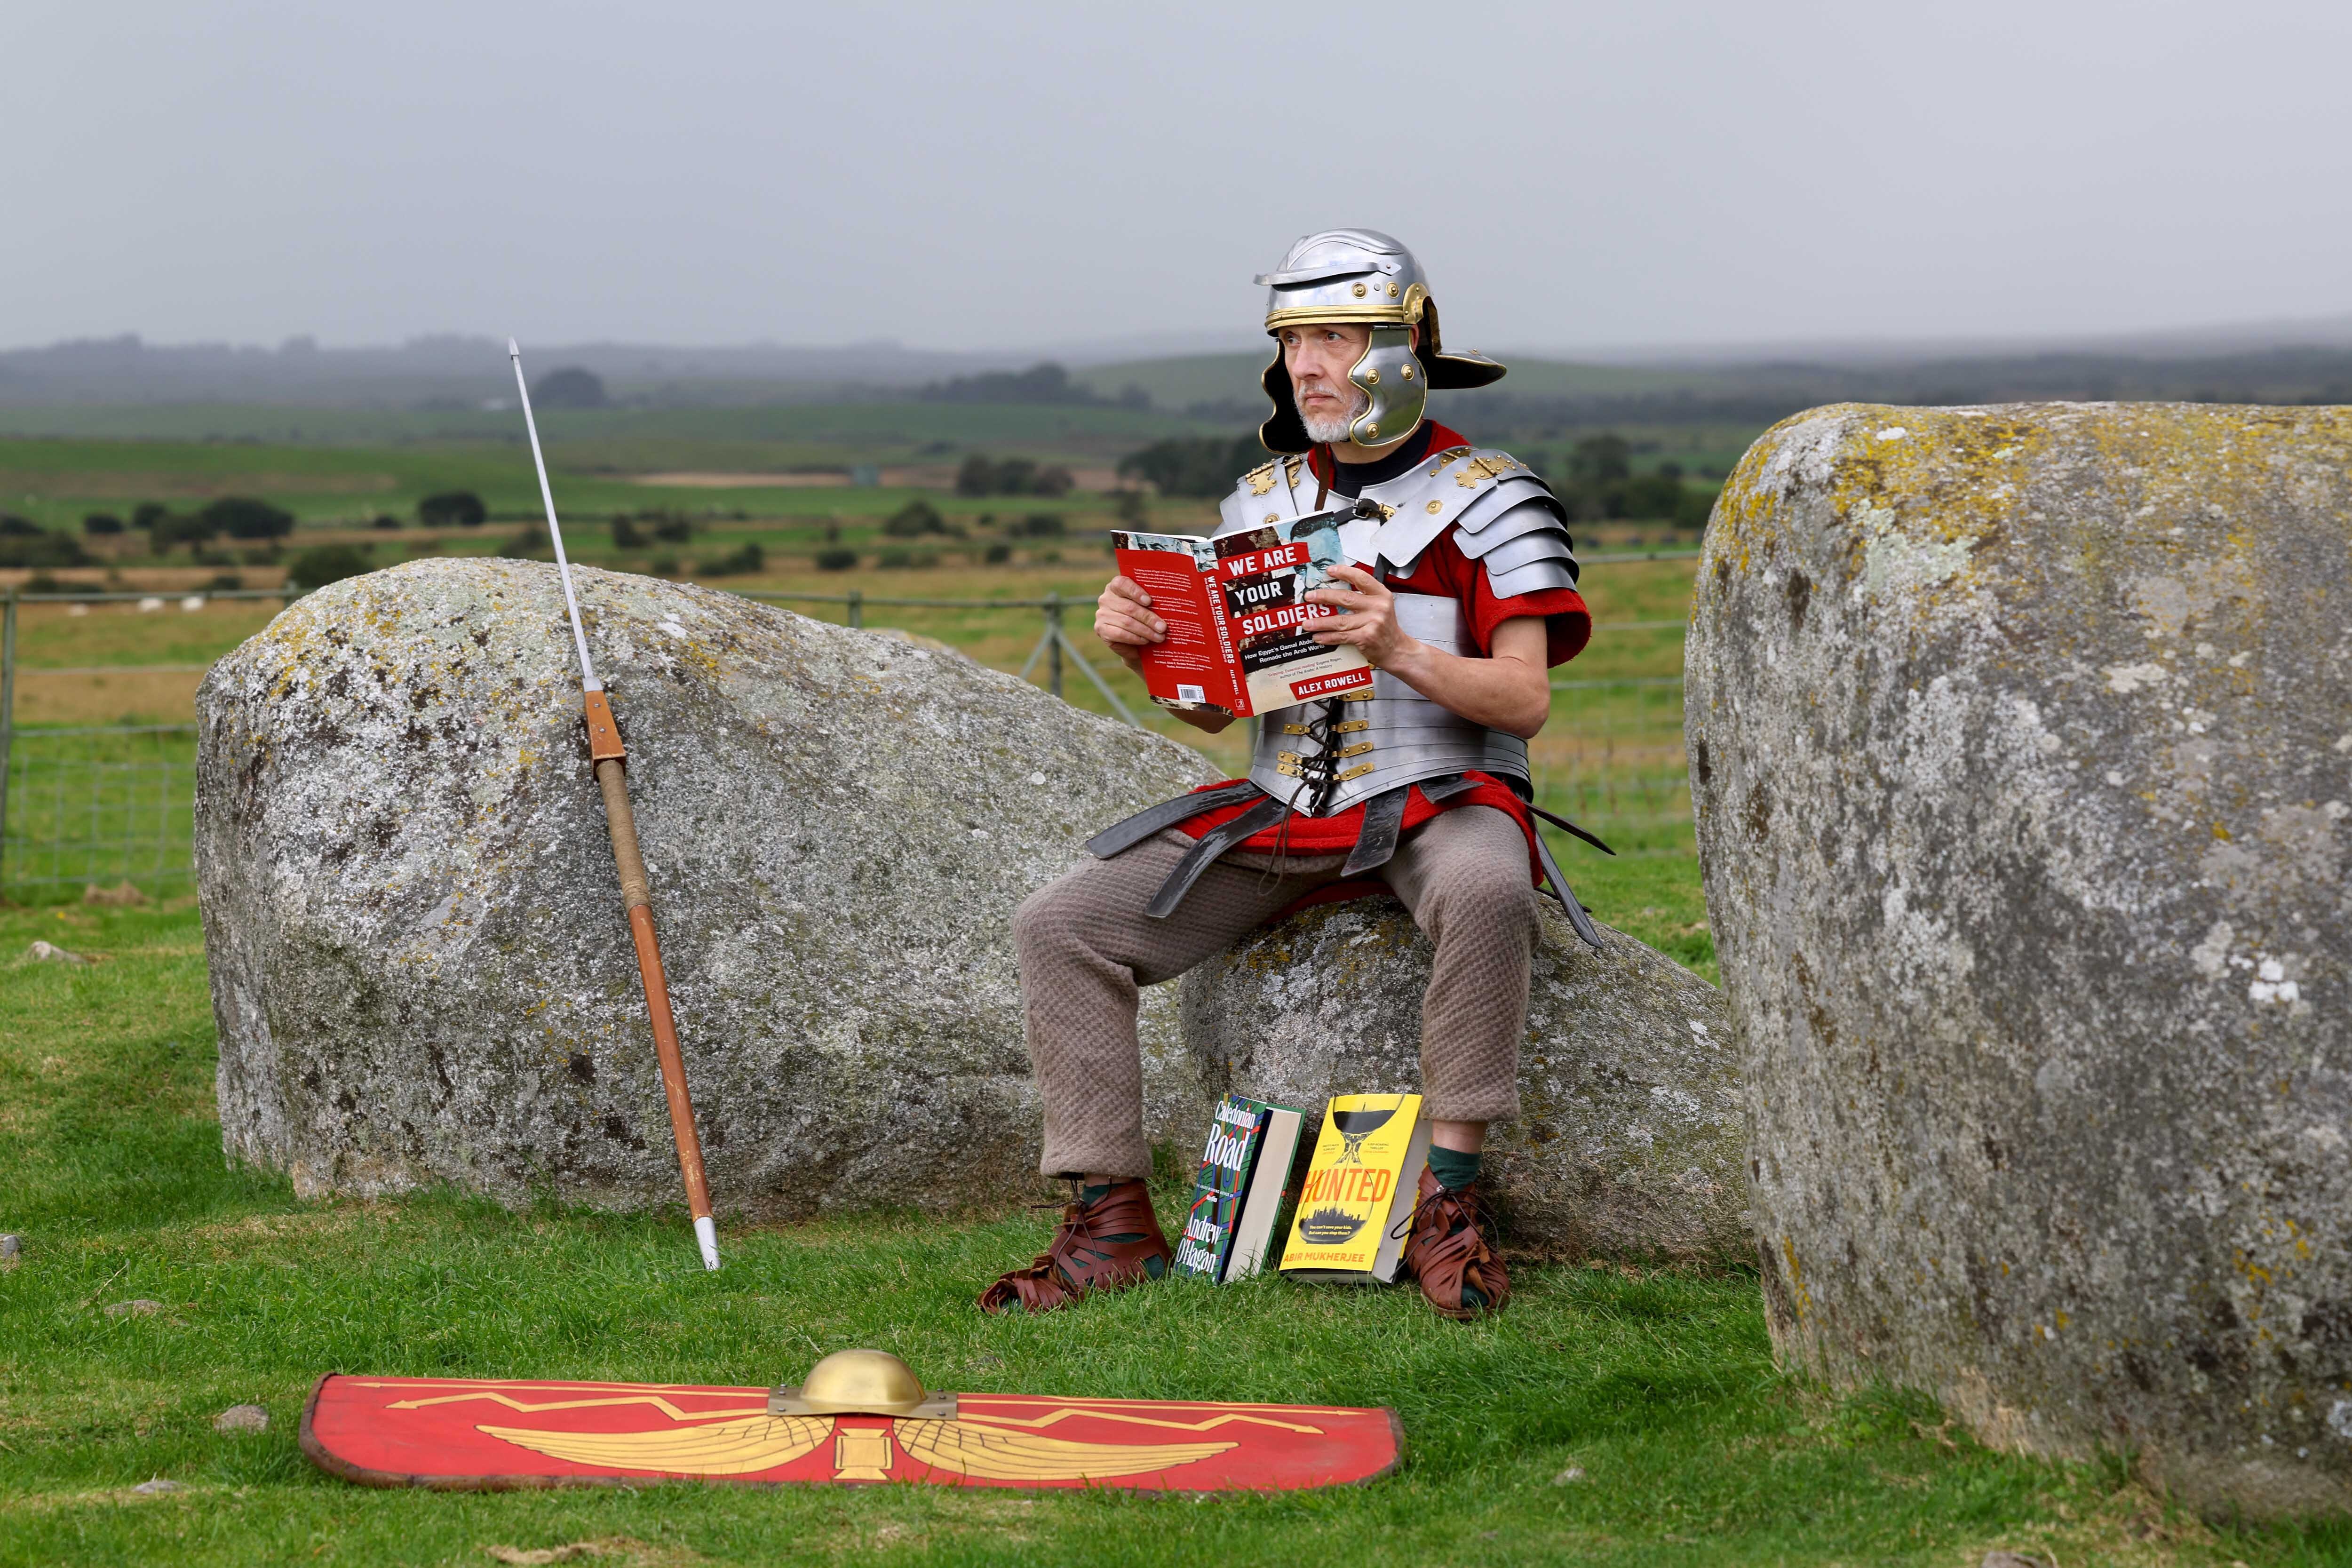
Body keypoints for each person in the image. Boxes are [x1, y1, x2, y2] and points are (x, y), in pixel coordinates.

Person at [980, 230, 1594, 1322]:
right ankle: (1112, 1221)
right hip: (1284, 803)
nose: (1308, 363)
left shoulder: (1491, 496)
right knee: (1058, 923)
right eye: (1293, 339)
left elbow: (1525, 700)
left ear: (1404, 345)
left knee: (1490, 888)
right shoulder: (1259, 502)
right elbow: (1220, 707)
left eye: (1336, 336)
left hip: (1440, 792)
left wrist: (1399, 647)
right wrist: (1149, 647)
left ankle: (1446, 1200)